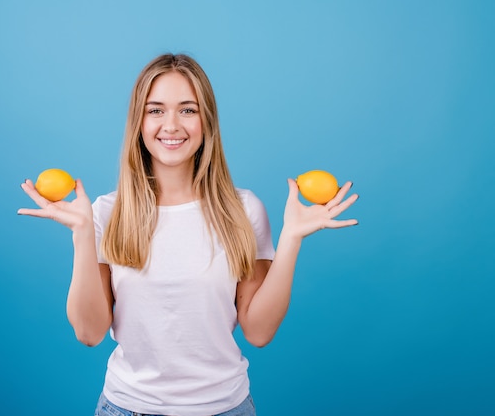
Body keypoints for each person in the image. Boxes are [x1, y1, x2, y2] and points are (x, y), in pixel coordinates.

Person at [18, 53, 358, 416]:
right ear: (139, 121)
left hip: (226, 408)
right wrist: (83, 236)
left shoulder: (243, 210)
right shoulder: (105, 212)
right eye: (156, 110)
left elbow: (258, 332)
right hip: (127, 408)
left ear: (206, 120)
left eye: (188, 110)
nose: (171, 125)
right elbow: (89, 333)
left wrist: (291, 238)